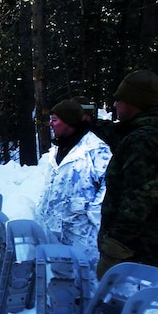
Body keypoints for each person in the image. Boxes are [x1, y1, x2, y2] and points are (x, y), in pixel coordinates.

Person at [96, 69, 158, 279]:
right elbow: (117, 136)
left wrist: (115, 248)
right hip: (136, 250)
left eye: (119, 100)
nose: (115, 105)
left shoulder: (146, 141)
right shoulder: (138, 133)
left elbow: (138, 201)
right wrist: (90, 121)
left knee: (124, 308)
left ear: (133, 102)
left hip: (138, 254)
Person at [35, 99, 112, 276]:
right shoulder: (58, 149)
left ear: (69, 122)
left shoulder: (95, 149)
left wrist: (93, 212)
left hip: (82, 232)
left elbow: (110, 185)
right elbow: (50, 184)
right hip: (54, 228)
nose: (50, 124)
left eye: (54, 120)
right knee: (59, 280)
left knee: (83, 279)